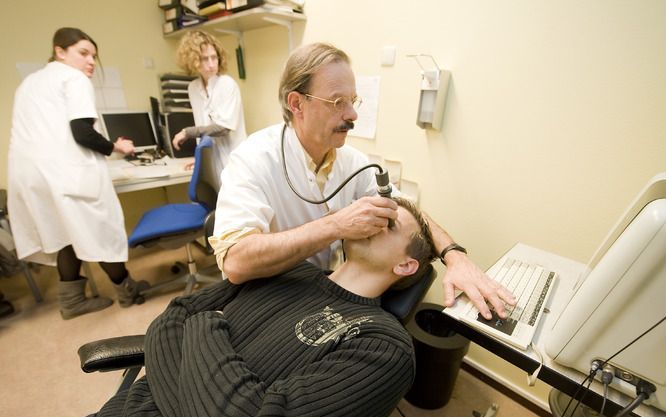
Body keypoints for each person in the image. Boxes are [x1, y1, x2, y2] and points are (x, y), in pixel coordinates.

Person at [210, 42, 515, 319]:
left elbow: (408, 212)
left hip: (319, 296)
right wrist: (335, 226)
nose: (353, 114)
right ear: (296, 104)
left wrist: (454, 255)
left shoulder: (351, 162)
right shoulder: (252, 159)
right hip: (265, 303)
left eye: (353, 100)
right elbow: (236, 263)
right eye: (337, 102)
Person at [93, 197, 438, 417]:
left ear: (406, 266)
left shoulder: (384, 346)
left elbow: (190, 319)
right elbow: (173, 317)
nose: (371, 219)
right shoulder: (289, 267)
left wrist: (206, 325)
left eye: (389, 223)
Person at [7, 27, 149, 320]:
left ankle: (71, 301)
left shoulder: (30, 83)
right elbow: (82, 132)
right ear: (60, 51)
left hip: (28, 175)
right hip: (65, 175)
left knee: (62, 235)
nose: (91, 62)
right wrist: (116, 146)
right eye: (83, 53)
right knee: (102, 232)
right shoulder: (73, 78)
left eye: (94, 56)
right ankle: (127, 290)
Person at [171, 30, 246, 178]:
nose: (211, 64)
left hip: (235, 162)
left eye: (214, 57)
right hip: (212, 164)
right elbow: (205, 130)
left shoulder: (227, 84)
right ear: (193, 61)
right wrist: (199, 159)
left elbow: (223, 128)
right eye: (205, 59)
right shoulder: (193, 88)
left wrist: (188, 132)